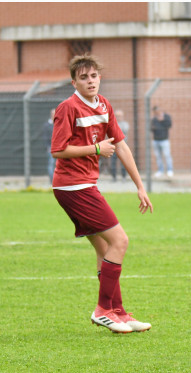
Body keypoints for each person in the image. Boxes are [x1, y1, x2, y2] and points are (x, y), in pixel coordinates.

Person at [51, 54, 153, 334]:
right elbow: (58, 149)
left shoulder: (104, 105)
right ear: (74, 82)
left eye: (93, 76)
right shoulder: (68, 107)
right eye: (83, 77)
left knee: (106, 249)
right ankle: (103, 310)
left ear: (100, 78)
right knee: (120, 241)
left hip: (84, 185)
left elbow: (120, 145)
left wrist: (140, 186)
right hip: (72, 187)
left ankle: (117, 312)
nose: (90, 81)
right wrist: (95, 149)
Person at [151, 106, 173, 178]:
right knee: (158, 156)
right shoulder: (154, 119)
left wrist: (162, 120)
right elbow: (151, 128)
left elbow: (169, 125)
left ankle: (169, 170)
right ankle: (160, 170)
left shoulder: (166, 117)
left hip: (164, 140)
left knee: (167, 155)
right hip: (156, 140)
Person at [110, 109, 129, 182]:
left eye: (119, 116)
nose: (118, 117)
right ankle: (114, 177)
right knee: (113, 163)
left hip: (122, 147)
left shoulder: (125, 124)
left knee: (124, 163)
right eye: (117, 116)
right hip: (113, 146)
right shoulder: (112, 123)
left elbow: (123, 130)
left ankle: (124, 177)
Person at [43, 108, 56, 183]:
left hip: (60, 148)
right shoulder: (47, 125)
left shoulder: (60, 124)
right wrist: (47, 147)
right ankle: (52, 180)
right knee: (51, 164)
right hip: (51, 147)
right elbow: (45, 137)